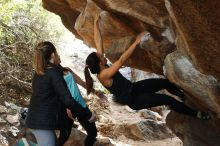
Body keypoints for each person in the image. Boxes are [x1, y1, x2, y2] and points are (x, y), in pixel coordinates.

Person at [84, 15, 210, 120]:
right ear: (100, 63)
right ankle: (197, 114)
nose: (102, 54)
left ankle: (183, 97)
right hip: (134, 100)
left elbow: (98, 42)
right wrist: (137, 42)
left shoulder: (101, 65)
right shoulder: (104, 75)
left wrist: (96, 23)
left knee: (165, 83)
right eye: (100, 56)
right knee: (167, 100)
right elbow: (122, 59)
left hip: (134, 88)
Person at [25, 41, 96, 146]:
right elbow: (66, 99)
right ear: (53, 54)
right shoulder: (53, 72)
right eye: (56, 53)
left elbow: (47, 97)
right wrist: (88, 114)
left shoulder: (39, 72)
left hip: (33, 121)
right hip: (42, 124)